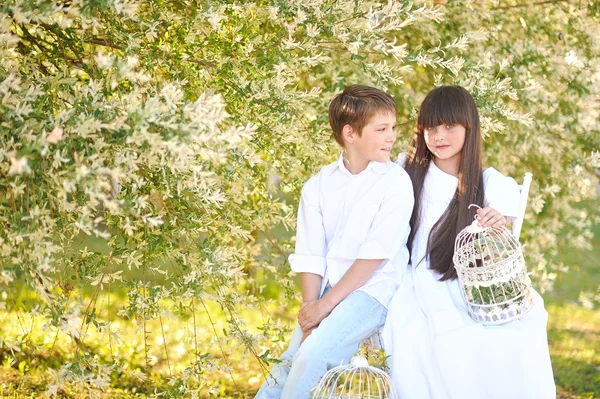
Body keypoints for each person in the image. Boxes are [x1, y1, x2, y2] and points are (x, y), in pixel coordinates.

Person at [382, 85, 555, 399]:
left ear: (469, 128)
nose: (439, 136)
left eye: (450, 126)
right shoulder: (407, 170)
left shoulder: (490, 182)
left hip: (469, 284)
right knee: (417, 332)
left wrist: (496, 220)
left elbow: (503, 228)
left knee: (522, 330)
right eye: (431, 128)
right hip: (416, 277)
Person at [254, 84, 414, 399]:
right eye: (381, 129)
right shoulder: (318, 186)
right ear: (350, 133)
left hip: (372, 291)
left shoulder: (395, 182)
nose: (391, 137)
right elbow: (311, 255)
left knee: (313, 356)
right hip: (329, 290)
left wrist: (326, 305)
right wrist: (310, 310)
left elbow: (374, 257)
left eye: (392, 128)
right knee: (291, 359)